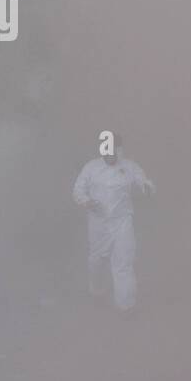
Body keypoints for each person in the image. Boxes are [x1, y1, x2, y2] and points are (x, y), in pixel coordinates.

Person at [72, 133, 155, 317]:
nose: (110, 155)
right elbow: (78, 189)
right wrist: (87, 201)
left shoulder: (129, 167)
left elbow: (142, 180)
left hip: (122, 222)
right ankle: (97, 290)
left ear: (119, 150)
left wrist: (147, 187)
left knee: (123, 262)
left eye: (114, 151)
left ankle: (126, 306)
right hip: (98, 224)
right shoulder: (91, 168)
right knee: (97, 260)